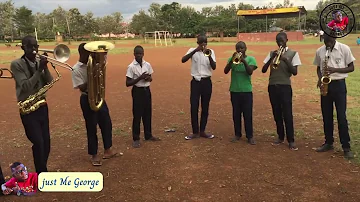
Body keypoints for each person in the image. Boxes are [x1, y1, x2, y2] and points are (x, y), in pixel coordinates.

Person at [10, 35, 53, 174]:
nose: (34, 49)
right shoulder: (17, 64)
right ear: (23, 48)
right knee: (38, 142)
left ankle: (42, 168)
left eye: (36, 46)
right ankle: (42, 173)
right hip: (28, 109)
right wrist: (39, 70)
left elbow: (50, 81)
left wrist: (45, 68)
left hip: (41, 106)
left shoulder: (39, 62)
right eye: (30, 46)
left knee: (46, 142)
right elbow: (26, 86)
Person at [71, 43, 118, 166]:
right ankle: (94, 155)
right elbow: (81, 86)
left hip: (99, 96)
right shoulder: (76, 69)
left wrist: (100, 64)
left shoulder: (94, 64)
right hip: (87, 98)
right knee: (91, 127)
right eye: (90, 53)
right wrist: (93, 75)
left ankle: (108, 150)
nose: (92, 55)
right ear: (83, 53)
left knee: (106, 123)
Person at [313, 34, 355, 159]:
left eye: (330, 41)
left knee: (341, 116)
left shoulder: (344, 48)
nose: (327, 44)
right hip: (326, 86)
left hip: (339, 85)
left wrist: (335, 69)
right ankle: (328, 142)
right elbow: (318, 68)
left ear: (335, 38)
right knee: (326, 115)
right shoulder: (320, 51)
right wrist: (320, 78)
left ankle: (346, 146)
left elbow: (351, 67)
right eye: (325, 41)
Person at [262, 32, 302, 150]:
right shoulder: (271, 53)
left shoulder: (293, 53)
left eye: (282, 41)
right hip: (272, 85)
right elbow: (264, 70)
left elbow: (294, 72)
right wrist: (271, 58)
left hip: (285, 86)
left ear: (286, 40)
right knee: (277, 113)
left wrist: (285, 59)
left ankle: (291, 140)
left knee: (287, 114)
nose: (280, 43)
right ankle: (280, 136)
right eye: (278, 41)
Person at [181, 35, 216, 140]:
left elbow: (214, 67)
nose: (203, 45)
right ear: (197, 43)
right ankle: (195, 131)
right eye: (201, 43)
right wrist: (195, 51)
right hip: (195, 82)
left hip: (206, 82)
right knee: (194, 107)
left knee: (205, 107)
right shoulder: (192, 50)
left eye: (205, 43)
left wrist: (208, 55)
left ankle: (202, 131)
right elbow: (183, 60)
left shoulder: (211, 51)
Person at [126, 45, 160, 148]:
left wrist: (147, 78)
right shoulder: (131, 66)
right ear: (134, 54)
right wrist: (140, 78)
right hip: (137, 91)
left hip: (146, 90)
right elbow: (128, 83)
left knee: (147, 113)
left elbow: (151, 78)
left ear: (143, 54)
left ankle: (148, 135)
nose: (139, 56)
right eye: (137, 54)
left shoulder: (147, 65)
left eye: (140, 54)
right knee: (137, 115)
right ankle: (136, 138)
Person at [224, 41, 257, 145]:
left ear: (245, 48)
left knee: (248, 114)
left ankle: (250, 136)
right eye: (237, 48)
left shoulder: (251, 59)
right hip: (234, 91)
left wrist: (244, 61)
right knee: (236, 114)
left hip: (246, 91)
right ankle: (237, 134)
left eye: (241, 48)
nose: (239, 50)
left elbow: (250, 72)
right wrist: (231, 61)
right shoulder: (232, 59)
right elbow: (225, 71)